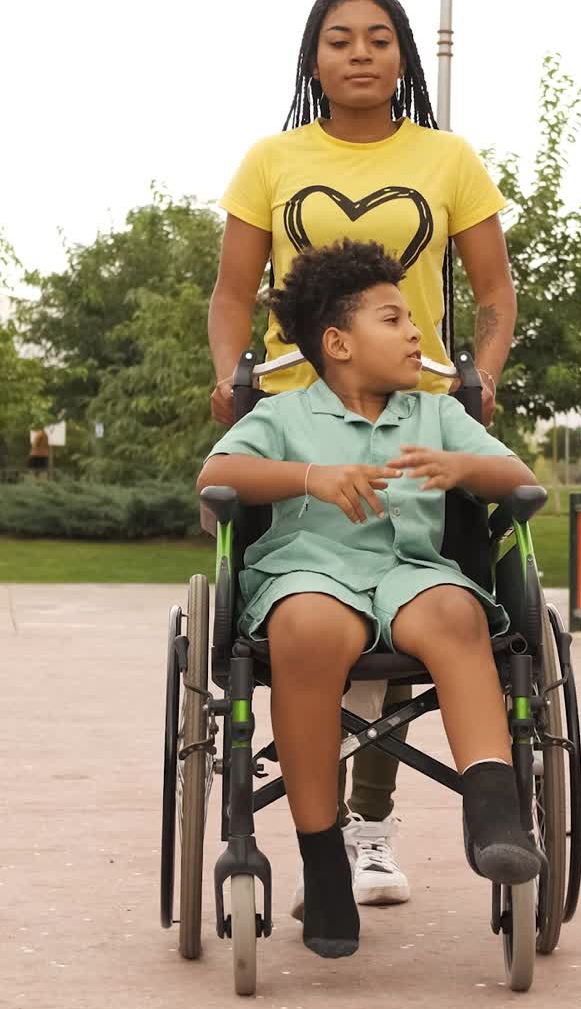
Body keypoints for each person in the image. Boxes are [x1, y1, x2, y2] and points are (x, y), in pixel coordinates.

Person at [208, 0, 517, 910]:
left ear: (403, 57)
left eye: (379, 40)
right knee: (316, 616)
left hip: (417, 399)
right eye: (339, 40)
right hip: (297, 401)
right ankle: (329, 845)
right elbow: (232, 293)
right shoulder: (272, 157)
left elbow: (495, 291)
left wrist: (483, 374)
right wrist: (230, 375)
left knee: (424, 599)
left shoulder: (448, 157)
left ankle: (372, 830)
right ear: (313, 60)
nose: (360, 55)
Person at [198, 240, 538, 960]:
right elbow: (217, 474)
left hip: (412, 572)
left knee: (457, 613)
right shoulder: (287, 416)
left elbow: (518, 476)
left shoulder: (435, 413)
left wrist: (463, 465)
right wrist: (308, 477)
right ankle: (323, 862)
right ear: (338, 342)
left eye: (413, 319)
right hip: (312, 571)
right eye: (395, 319)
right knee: (308, 630)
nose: (417, 333)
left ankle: (495, 813)